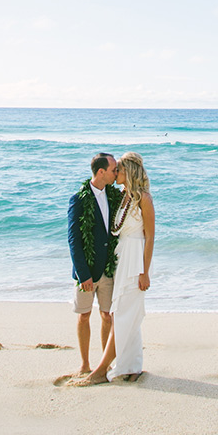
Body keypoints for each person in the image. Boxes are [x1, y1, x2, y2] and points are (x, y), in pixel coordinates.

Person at [78, 151, 153, 385]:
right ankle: (131, 366)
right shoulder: (123, 196)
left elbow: (150, 237)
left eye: (119, 169)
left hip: (135, 263)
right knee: (126, 315)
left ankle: (101, 370)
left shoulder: (144, 198)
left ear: (128, 171)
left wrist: (145, 272)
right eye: (114, 169)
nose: (116, 172)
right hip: (121, 260)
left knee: (122, 314)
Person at [67, 152, 121, 378]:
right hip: (87, 271)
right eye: (113, 170)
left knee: (108, 316)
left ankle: (104, 363)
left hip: (107, 269)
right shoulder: (78, 199)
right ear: (101, 172)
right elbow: (73, 239)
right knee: (85, 315)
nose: (116, 173)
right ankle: (84, 364)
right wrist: (83, 274)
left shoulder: (114, 196)